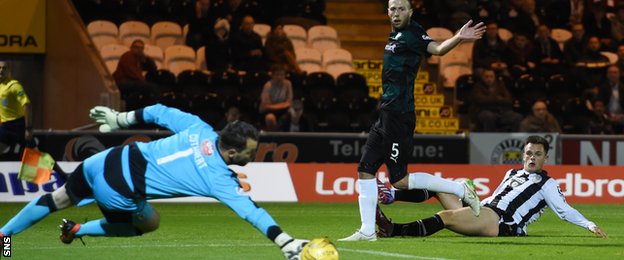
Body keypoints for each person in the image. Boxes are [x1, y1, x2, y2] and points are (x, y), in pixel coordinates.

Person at [0, 104, 307, 260]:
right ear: (231, 150)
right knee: (148, 222)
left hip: (105, 159)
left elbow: (159, 111)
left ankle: (4, 238)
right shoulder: (219, 178)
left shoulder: (200, 128)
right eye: (249, 152)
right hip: (119, 189)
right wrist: (286, 243)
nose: (253, 156)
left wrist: (120, 119)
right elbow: (252, 212)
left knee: (58, 199)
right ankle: (78, 229)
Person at [339, 0, 486, 242]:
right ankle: (367, 230)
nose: (396, 13)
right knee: (365, 170)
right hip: (386, 112)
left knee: (400, 181)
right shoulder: (395, 34)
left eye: (401, 9)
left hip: (399, 114)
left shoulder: (414, 32)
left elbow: (437, 50)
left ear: (410, 11)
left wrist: (459, 36)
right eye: (392, 9)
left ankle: (461, 189)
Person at [375, 135, 608, 239]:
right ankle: (390, 195)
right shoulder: (512, 172)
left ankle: (394, 230)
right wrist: (473, 202)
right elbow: (497, 197)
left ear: (546, 158)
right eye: (529, 153)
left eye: (538, 154)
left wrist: (589, 224)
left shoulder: (547, 184)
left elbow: (564, 210)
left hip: (502, 222)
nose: (532, 158)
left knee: (446, 216)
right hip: (486, 210)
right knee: (446, 187)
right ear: (523, 154)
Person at [0, 60, 33, 156]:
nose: (1, 70)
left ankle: (57, 170)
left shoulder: (14, 85)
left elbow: (27, 105)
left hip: (19, 125)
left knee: (35, 156)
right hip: (6, 126)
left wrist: (28, 128)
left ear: (8, 71)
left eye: (4, 68)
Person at [259, 65, 293, 131]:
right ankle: (273, 138)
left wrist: (276, 106)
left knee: (292, 114)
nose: (280, 77)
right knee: (270, 118)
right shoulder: (268, 86)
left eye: (282, 75)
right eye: (277, 75)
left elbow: (289, 102)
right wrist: (283, 105)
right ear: (272, 75)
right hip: (268, 112)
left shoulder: (288, 84)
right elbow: (266, 106)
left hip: (283, 111)